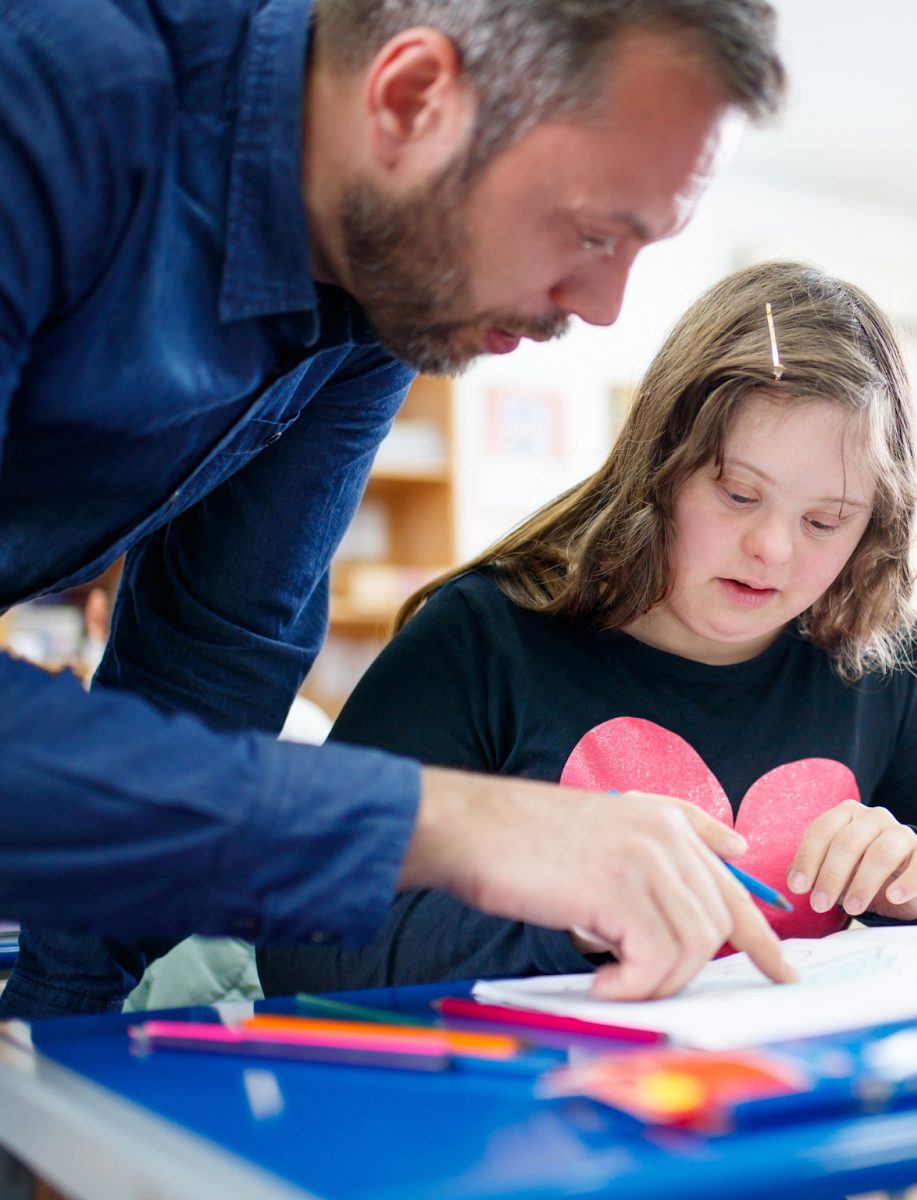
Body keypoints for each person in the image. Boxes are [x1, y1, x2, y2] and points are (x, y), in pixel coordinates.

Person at [0, 0, 794, 1020]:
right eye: (595, 231)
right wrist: (462, 824)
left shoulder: (382, 290)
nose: (602, 308)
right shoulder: (53, 88)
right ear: (412, 98)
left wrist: (59, 1028)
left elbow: (214, 653)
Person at [253, 262, 917, 995]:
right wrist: (577, 911)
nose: (773, 548)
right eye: (737, 494)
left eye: (826, 521)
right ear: (659, 467)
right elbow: (301, 939)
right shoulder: (484, 637)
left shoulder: (872, 651)